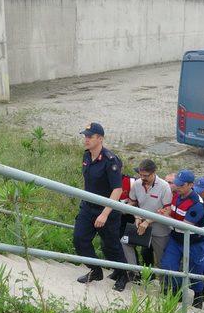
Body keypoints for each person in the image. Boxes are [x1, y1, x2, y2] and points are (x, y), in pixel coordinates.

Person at [73, 122, 129, 291]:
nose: (86, 139)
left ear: (100, 139)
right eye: (85, 136)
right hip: (88, 207)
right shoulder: (86, 156)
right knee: (79, 239)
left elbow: (117, 190)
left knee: (111, 246)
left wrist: (104, 214)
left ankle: (123, 275)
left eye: (90, 136)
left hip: (107, 210)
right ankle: (95, 270)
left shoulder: (110, 161)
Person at [160, 170, 204, 308]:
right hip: (176, 238)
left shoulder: (196, 203)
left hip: (194, 242)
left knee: (195, 269)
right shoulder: (176, 195)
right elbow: (172, 211)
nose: (177, 187)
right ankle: (177, 293)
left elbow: (185, 225)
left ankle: (199, 295)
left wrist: (165, 217)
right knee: (169, 265)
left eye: (181, 185)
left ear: (190, 185)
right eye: (176, 184)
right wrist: (165, 212)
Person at [124, 159, 173, 270]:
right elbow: (132, 202)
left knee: (161, 259)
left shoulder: (164, 186)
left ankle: (164, 285)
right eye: (140, 175)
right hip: (140, 223)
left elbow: (167, 210)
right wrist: (136, 216)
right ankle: (134, 272)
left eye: (145, 175)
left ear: (154, 172)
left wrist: (148, 221)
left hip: (159, 228)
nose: (142, 178)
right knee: (125, 243)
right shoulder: (137, 184)